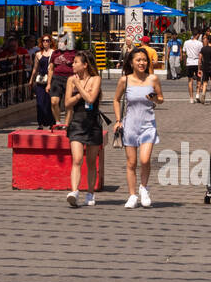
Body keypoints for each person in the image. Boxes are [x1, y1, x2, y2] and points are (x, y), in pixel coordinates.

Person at [114, 45, 163, 208]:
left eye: (144, 60)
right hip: (130, 125)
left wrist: (155, 98)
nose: (142, 63)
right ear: (132, 62)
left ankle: (144, 188)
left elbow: (161, 99)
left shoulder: (152, 79)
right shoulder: (125, 80)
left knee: (145, 159)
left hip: (148, 124)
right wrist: (118, 120)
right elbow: (116, 99)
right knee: (131, 163)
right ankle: (132, 195)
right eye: (138, 60)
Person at [63, 50, 104, 207]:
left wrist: (79, 86)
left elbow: (91, 98)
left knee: (92, 161)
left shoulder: (95, 79)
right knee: (77, 159)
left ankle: (90, 193)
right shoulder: (70, 80)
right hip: (77, 123)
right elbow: (67, 103)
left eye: (76, 62)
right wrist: (80, 94)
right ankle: (74, 191)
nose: (72, 65)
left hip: (92, 123)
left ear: (85, 65)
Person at [48, 30, 77, 126]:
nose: (60, 44)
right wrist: (48, 83)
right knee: (54, 101)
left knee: (68, 104)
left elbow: (77, 68)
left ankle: (67, 124)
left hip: (69, 79)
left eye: (62, 42)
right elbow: (51, 69)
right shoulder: (55, 53)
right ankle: (58, 121)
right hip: (56, 78)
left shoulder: (73, 53)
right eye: (59, 42)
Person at [30, 35, 56, 128]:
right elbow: (35, 69)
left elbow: (53, 68)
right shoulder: (38, 54)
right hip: (40, 81)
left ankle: (51, 122)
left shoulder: (53, 53)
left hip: (51, 80)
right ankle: (40, 123)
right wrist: (31, 81)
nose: (46, 42)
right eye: (44, 41)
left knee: (49, 102)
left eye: (47, 40)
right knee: (39, 102)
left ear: (50, 42)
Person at [183, 29, 203, 101]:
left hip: (189, 62)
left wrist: (185, 62)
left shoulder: (186, 42)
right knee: (199, 79)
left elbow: (184, 53)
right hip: (197, 62)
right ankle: (197, 94)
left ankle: (191, 98)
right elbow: (201, 54)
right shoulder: (200, 43)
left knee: (190, 80)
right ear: (197, 35)